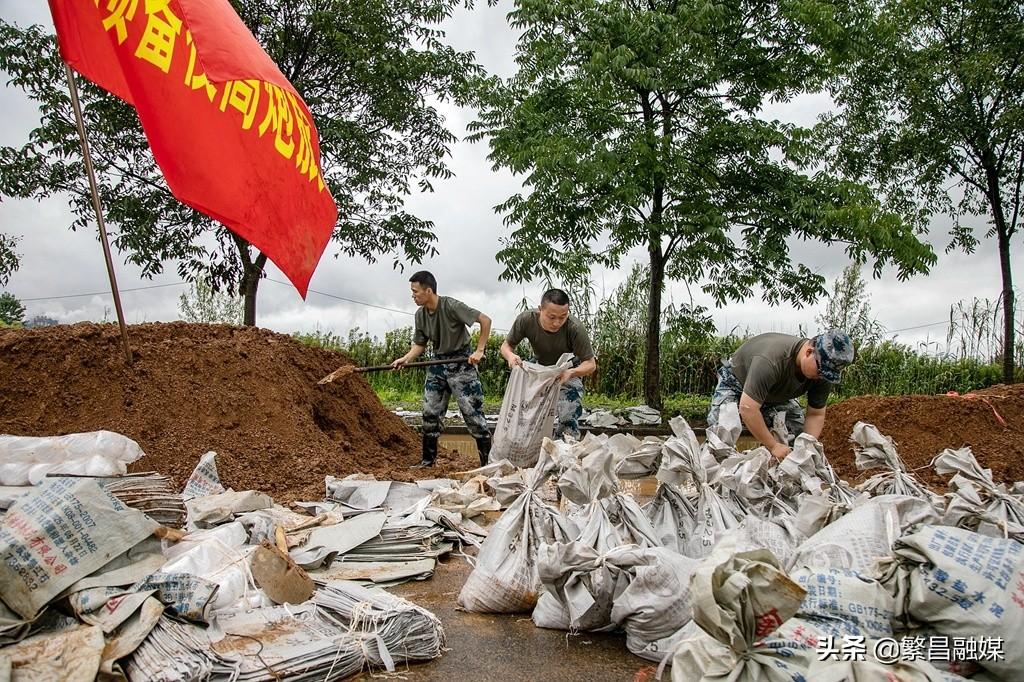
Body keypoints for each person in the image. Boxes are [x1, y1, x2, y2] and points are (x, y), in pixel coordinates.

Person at [392, 271, 492, 468]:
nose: (413, 296)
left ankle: (487, 463)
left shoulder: (451, 306)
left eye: (416, 292)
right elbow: (419, 344)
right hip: (437, 364)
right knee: (430, 412)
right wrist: (406, 359)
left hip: (462, 362)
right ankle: (428, 462)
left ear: (428, 290)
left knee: (473, 415)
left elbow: (485, 320)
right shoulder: (420, 314)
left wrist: (479, 350)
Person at [707, 330, 855, 461]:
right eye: (820, 371)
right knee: (720, 438)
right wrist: (773, 445)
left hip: (774, 394)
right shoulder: (771, 360)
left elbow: (815, 414)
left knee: (798, 433)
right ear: (809, 353)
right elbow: (748, 408)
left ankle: (781, 477)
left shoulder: (822, 373)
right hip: (736, 382)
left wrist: (807, 448)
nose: (822, 377)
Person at [499, 288, 597, 441]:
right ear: (540, 310)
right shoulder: (526, 320)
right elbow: (506, 346)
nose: (557, 322)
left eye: (562, 317)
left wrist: (571, 373)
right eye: (551, 317)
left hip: (566, 372)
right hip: (539, 369)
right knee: (523, 413)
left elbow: (590, 364)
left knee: (568, 414)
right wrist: (511, 357)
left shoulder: (574, 328)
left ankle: (564, 454)